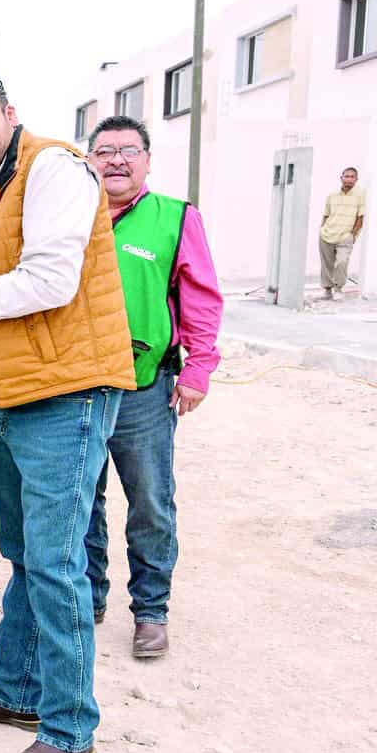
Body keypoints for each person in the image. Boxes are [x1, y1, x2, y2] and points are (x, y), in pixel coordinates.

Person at [0, 70, 135, 753]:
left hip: (66, 391)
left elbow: (52, 279)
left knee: (53, 558)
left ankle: (72, 729)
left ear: (10, 114)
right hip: (6, 393)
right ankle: (13, 686)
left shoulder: (53, 169)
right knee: (21, 550)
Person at [84, 116, 223, 659]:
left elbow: (202, 298)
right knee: (81, 502)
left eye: (128, 150)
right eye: (104, 151)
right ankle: (89, 596)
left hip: (145, 387)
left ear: (146, 160)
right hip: (78, 388)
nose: (116, 160)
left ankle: (150, 611)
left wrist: (197, 369)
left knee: (150, 503)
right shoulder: (71, 217)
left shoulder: (175, 217)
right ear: (89, 160)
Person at [318, 166, 365, 300]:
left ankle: (338, 289)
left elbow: (361, 217)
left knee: (341, 262)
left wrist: (353, 234)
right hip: (327, 234)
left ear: (356, 179)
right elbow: (326, 215)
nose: (349, 179)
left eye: (352, 177)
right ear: (341, 178)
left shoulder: (360, 195)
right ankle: (327, 289)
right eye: (347, 176)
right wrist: (322, 229)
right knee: (327, 264)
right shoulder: (332, 195)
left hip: (345, 236)